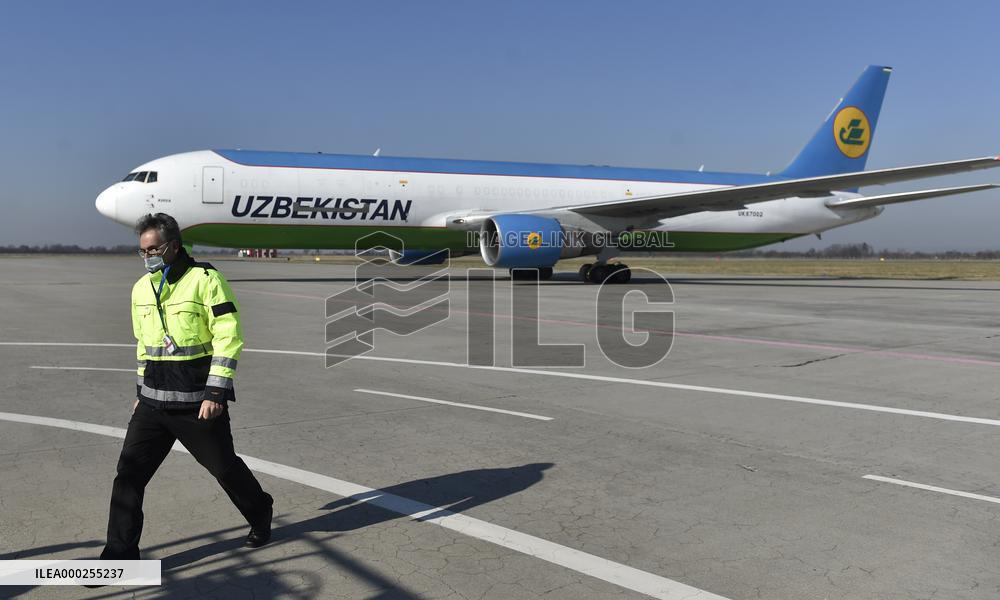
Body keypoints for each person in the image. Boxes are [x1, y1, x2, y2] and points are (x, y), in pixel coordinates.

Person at [100, 213, 273, 560]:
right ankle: (120, 552)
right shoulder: (141, 288)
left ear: (174, 246)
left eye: (153, 249)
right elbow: (143, 345)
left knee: (224, 468)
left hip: (196, 403)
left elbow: (228, 336)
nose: (147, 256)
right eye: (142, 251)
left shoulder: (205, 280)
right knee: (128, 475)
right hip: (152, 404)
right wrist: (140, 392)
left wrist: (215, 392)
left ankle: (260, 510)